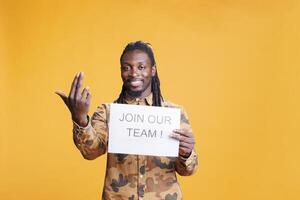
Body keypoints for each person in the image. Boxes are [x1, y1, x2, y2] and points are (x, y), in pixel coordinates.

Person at [56, 41, 198, 200]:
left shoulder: (174, 114)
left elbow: (188, 170)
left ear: (153, 70)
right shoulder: (107, 112)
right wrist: (80, 118)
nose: (134, 73)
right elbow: (91, 152)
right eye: (126, 67)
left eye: (141, 67)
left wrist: (186, 153)